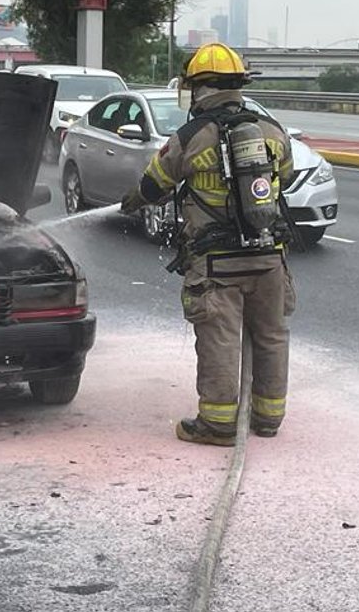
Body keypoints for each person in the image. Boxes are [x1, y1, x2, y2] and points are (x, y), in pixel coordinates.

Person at [120, 42, 296, 446]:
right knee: (271, 336)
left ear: (198, 89)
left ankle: (217, 424)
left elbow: (154, 185)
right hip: (270, 257)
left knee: (220, 340)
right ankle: (268, 420)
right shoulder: (271, 130)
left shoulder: (191, 136)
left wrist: (133, 201)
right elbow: (283, 174)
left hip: (216, 263)